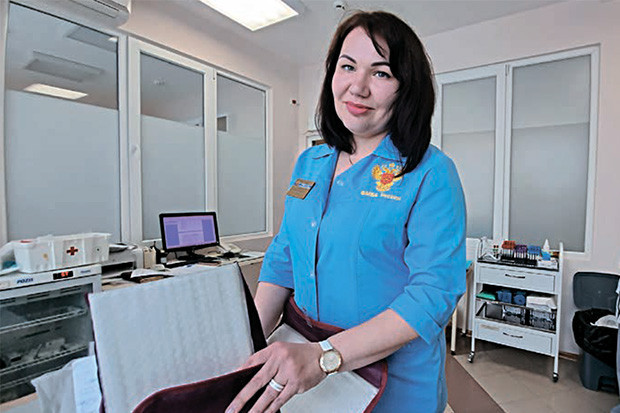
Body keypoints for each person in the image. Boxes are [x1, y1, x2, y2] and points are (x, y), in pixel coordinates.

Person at [226, 10, 466, 413]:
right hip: (310, 380)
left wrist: (325, 356)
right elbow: (284, 257)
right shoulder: (310, 162)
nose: (358, 87)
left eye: (381, 73)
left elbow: (433, 293)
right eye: (347, 66)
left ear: (407, 89)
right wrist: (245, 349)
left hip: (394, 389)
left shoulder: (430, 172)